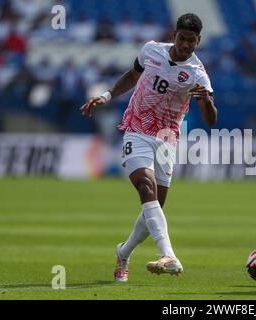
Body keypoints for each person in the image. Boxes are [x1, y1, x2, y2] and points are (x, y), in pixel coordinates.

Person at [80, 13, 217, 282]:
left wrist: (207, 102)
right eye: (182, 38)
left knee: (154, 206)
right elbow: (133, 74)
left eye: (191, 41)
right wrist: (107, 95)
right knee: (146, 186)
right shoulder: (151, 50)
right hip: (137, 129)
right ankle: (169, 254)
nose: (185, 44)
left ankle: (123, 252)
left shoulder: (197, 74)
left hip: (167, 138)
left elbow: (211, 120)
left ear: (198, 41)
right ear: (174, 34)